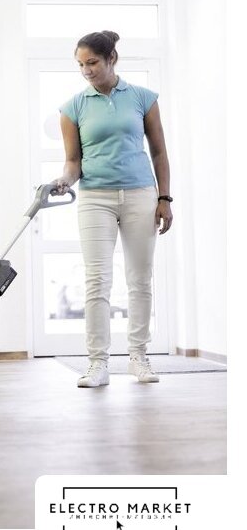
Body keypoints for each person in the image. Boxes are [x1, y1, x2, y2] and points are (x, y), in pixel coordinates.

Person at [52, 30, 173, 387]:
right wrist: (64, 181)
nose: (86, 70)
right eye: (80, 65)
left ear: (111, 59)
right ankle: (97, 363)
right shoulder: (72, 107)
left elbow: (159, 152)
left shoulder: (143, 98)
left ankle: (138, 357)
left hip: (141, 195)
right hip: (95, 199)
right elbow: (73, 162)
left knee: (140, 279)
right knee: (97, 281)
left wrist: (164, 198)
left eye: (92, 62)